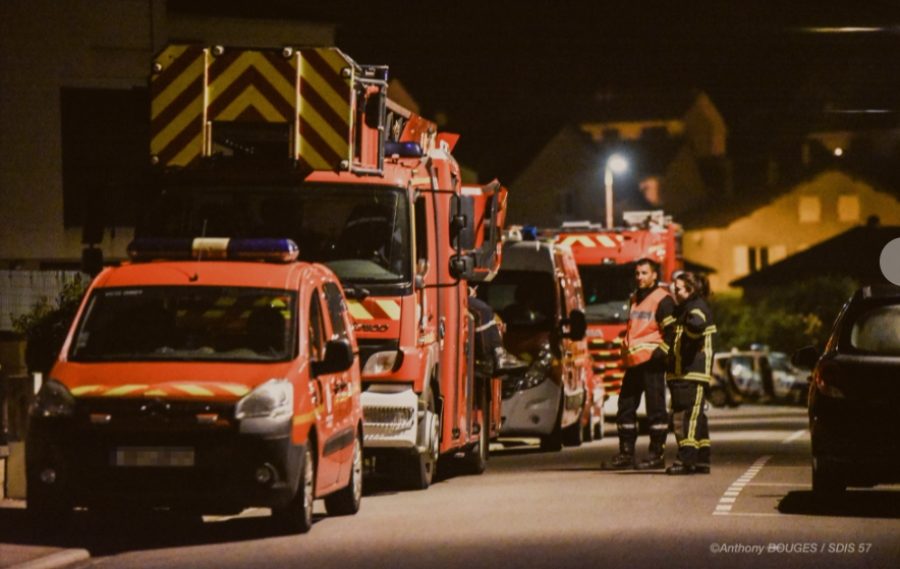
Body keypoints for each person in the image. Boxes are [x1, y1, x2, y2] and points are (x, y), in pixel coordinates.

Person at [605, 258, 676, 470]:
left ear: (655, 275)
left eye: (644, 273)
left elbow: (671, 334)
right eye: (637, 273)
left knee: (656, 410)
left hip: (652, 363)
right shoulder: (635, 298)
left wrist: (659, 354)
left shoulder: (663, 300)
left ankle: (657, 454)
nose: (639, 277)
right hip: (635, 362)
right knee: (625, 407)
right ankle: (626, 453)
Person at [665, 271, 716, 475]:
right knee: (696, 416)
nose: (674, 292)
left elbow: (696, 326)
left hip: (691, 373)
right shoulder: (686, 308)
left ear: (690, 290)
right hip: (684, 373)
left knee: (686, 418)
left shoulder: (695, 309)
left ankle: (686, 459)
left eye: (677, 289)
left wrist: (686, 321)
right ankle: (702, 458)